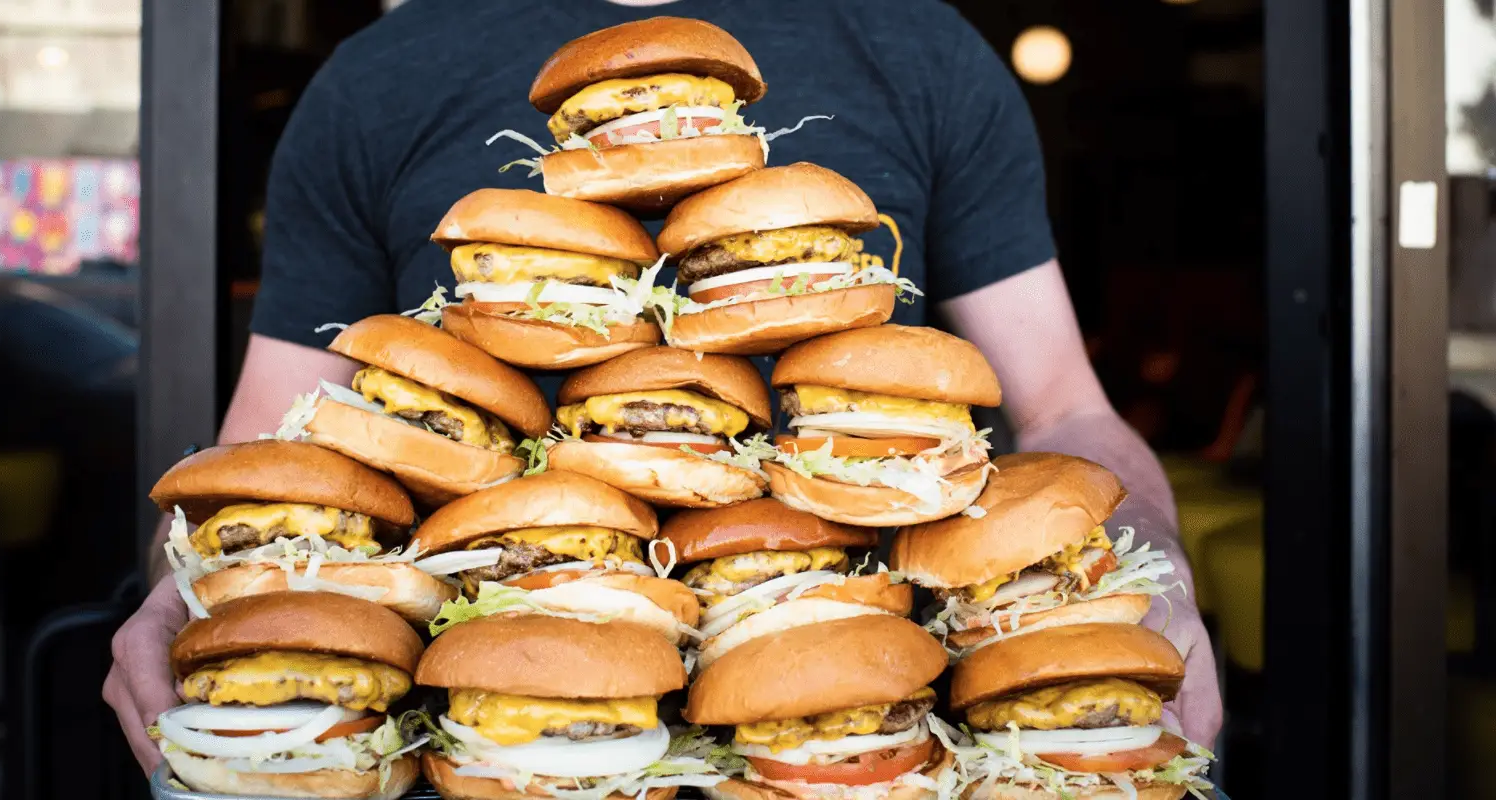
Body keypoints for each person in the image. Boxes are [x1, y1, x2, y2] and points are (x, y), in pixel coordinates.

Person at [105, 0, 1223, 776]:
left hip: (880, 699)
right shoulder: (378, 73)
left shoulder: (919, 42)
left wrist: (1154, 565)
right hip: (495, 708)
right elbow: (267, 444)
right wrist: (192, 589)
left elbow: (1064, 407)